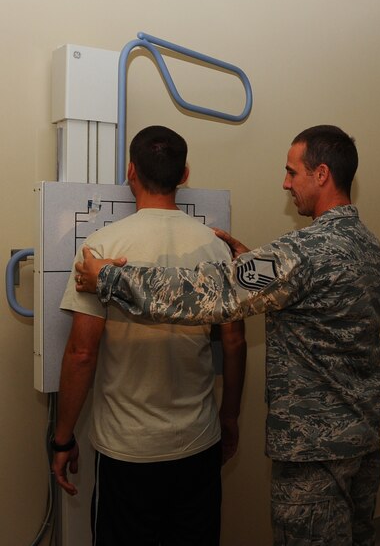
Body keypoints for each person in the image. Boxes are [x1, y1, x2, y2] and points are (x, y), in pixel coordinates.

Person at [73, 125, 380, 546]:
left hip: (314, 454)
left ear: (322, 174)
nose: (285, 182)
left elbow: (210, 293)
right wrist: (252, 265)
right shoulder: (370, 246)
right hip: (363, 440)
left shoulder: (302, 253)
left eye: (292, 173)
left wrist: (109, 277)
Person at [51, 125, 247, 546]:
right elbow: (233, 342)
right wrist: (228, 416)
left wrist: (62, 438)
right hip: (197, 442)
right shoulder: (216, 248)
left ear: (131, 172)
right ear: (185, 174)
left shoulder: (100, 249)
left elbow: (82, 353)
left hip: (128, 451)